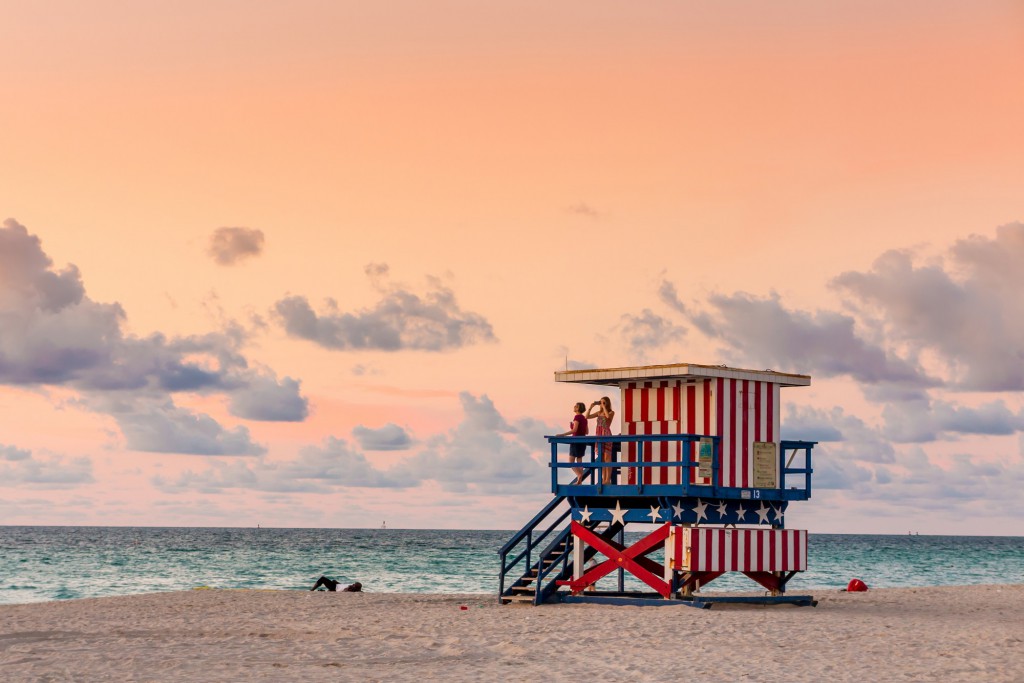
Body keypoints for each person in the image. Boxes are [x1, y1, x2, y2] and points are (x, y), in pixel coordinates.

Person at [558, 402, 589, 485]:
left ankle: (579, 475)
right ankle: (580, 480)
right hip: (583, 441)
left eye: (576, 406)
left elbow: (574, 430)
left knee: (571, 461)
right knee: (579, 460)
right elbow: (586, 431)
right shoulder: (584, 418)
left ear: (578, 408)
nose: (574, 407)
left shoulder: (577, 417)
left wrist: (562, 434)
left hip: (576, 441)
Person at [587, 396, 616, 484]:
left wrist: (603, 407)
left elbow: (607, 416)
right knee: (601, 459)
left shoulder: (611, 412)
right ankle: (604, 479)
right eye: (601, 402)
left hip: (606, 434)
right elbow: (587, 416)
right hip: (599, 435)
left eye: (604, 402)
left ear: (607, 403)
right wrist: (590, 407)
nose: (602, 404)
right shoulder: (599, 413)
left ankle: (608, 479)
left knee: (607, 457)